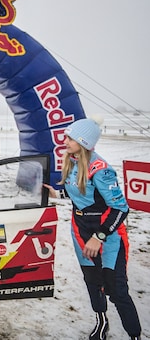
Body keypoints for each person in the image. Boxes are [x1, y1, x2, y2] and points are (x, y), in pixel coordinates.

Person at [44, 118, 141, 340]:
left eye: (70, 138)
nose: (65, 141)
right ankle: (102, 323)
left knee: (116, 290)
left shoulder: (101, 170)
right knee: (93, 283)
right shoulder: (71, 162)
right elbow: (80, 195)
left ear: (83, 141)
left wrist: (99, 236)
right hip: (80, 233)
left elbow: (120, 209)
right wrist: (56, 194)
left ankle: (135, 335)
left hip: (107, 237)